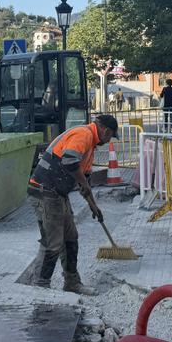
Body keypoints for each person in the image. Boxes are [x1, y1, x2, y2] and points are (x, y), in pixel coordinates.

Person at [20, 115, 118, 293]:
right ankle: (40, 286)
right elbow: (69, 161)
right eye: (111, 136)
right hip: (45, 192)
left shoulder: (90, 146)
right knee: (53, 242)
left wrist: (93, 205)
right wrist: (85, 184)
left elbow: (84, 181)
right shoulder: (84, 134)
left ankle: (71, 283)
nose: (109, 139)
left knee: (71, 238)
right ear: (106, 131)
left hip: (57, 194)